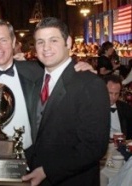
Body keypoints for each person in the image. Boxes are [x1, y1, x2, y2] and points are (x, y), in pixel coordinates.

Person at [0, 19, 95, 166]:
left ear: (13, 42)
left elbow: (61, 70)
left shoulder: (37, 71)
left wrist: (79, 69)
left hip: (34, 158)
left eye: (3, 40)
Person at [21, 17, 110, 186]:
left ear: (68, 42)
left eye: (53, 40)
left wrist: (47, 170)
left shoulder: (90, 83)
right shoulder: (36, 80)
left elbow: (94, 146)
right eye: (40, 42)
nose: (46, 48)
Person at [104, 75, 132, 140]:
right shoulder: (94, 108)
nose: (113, 97)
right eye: (110, 93)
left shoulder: (126, 108)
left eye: (116, 93)